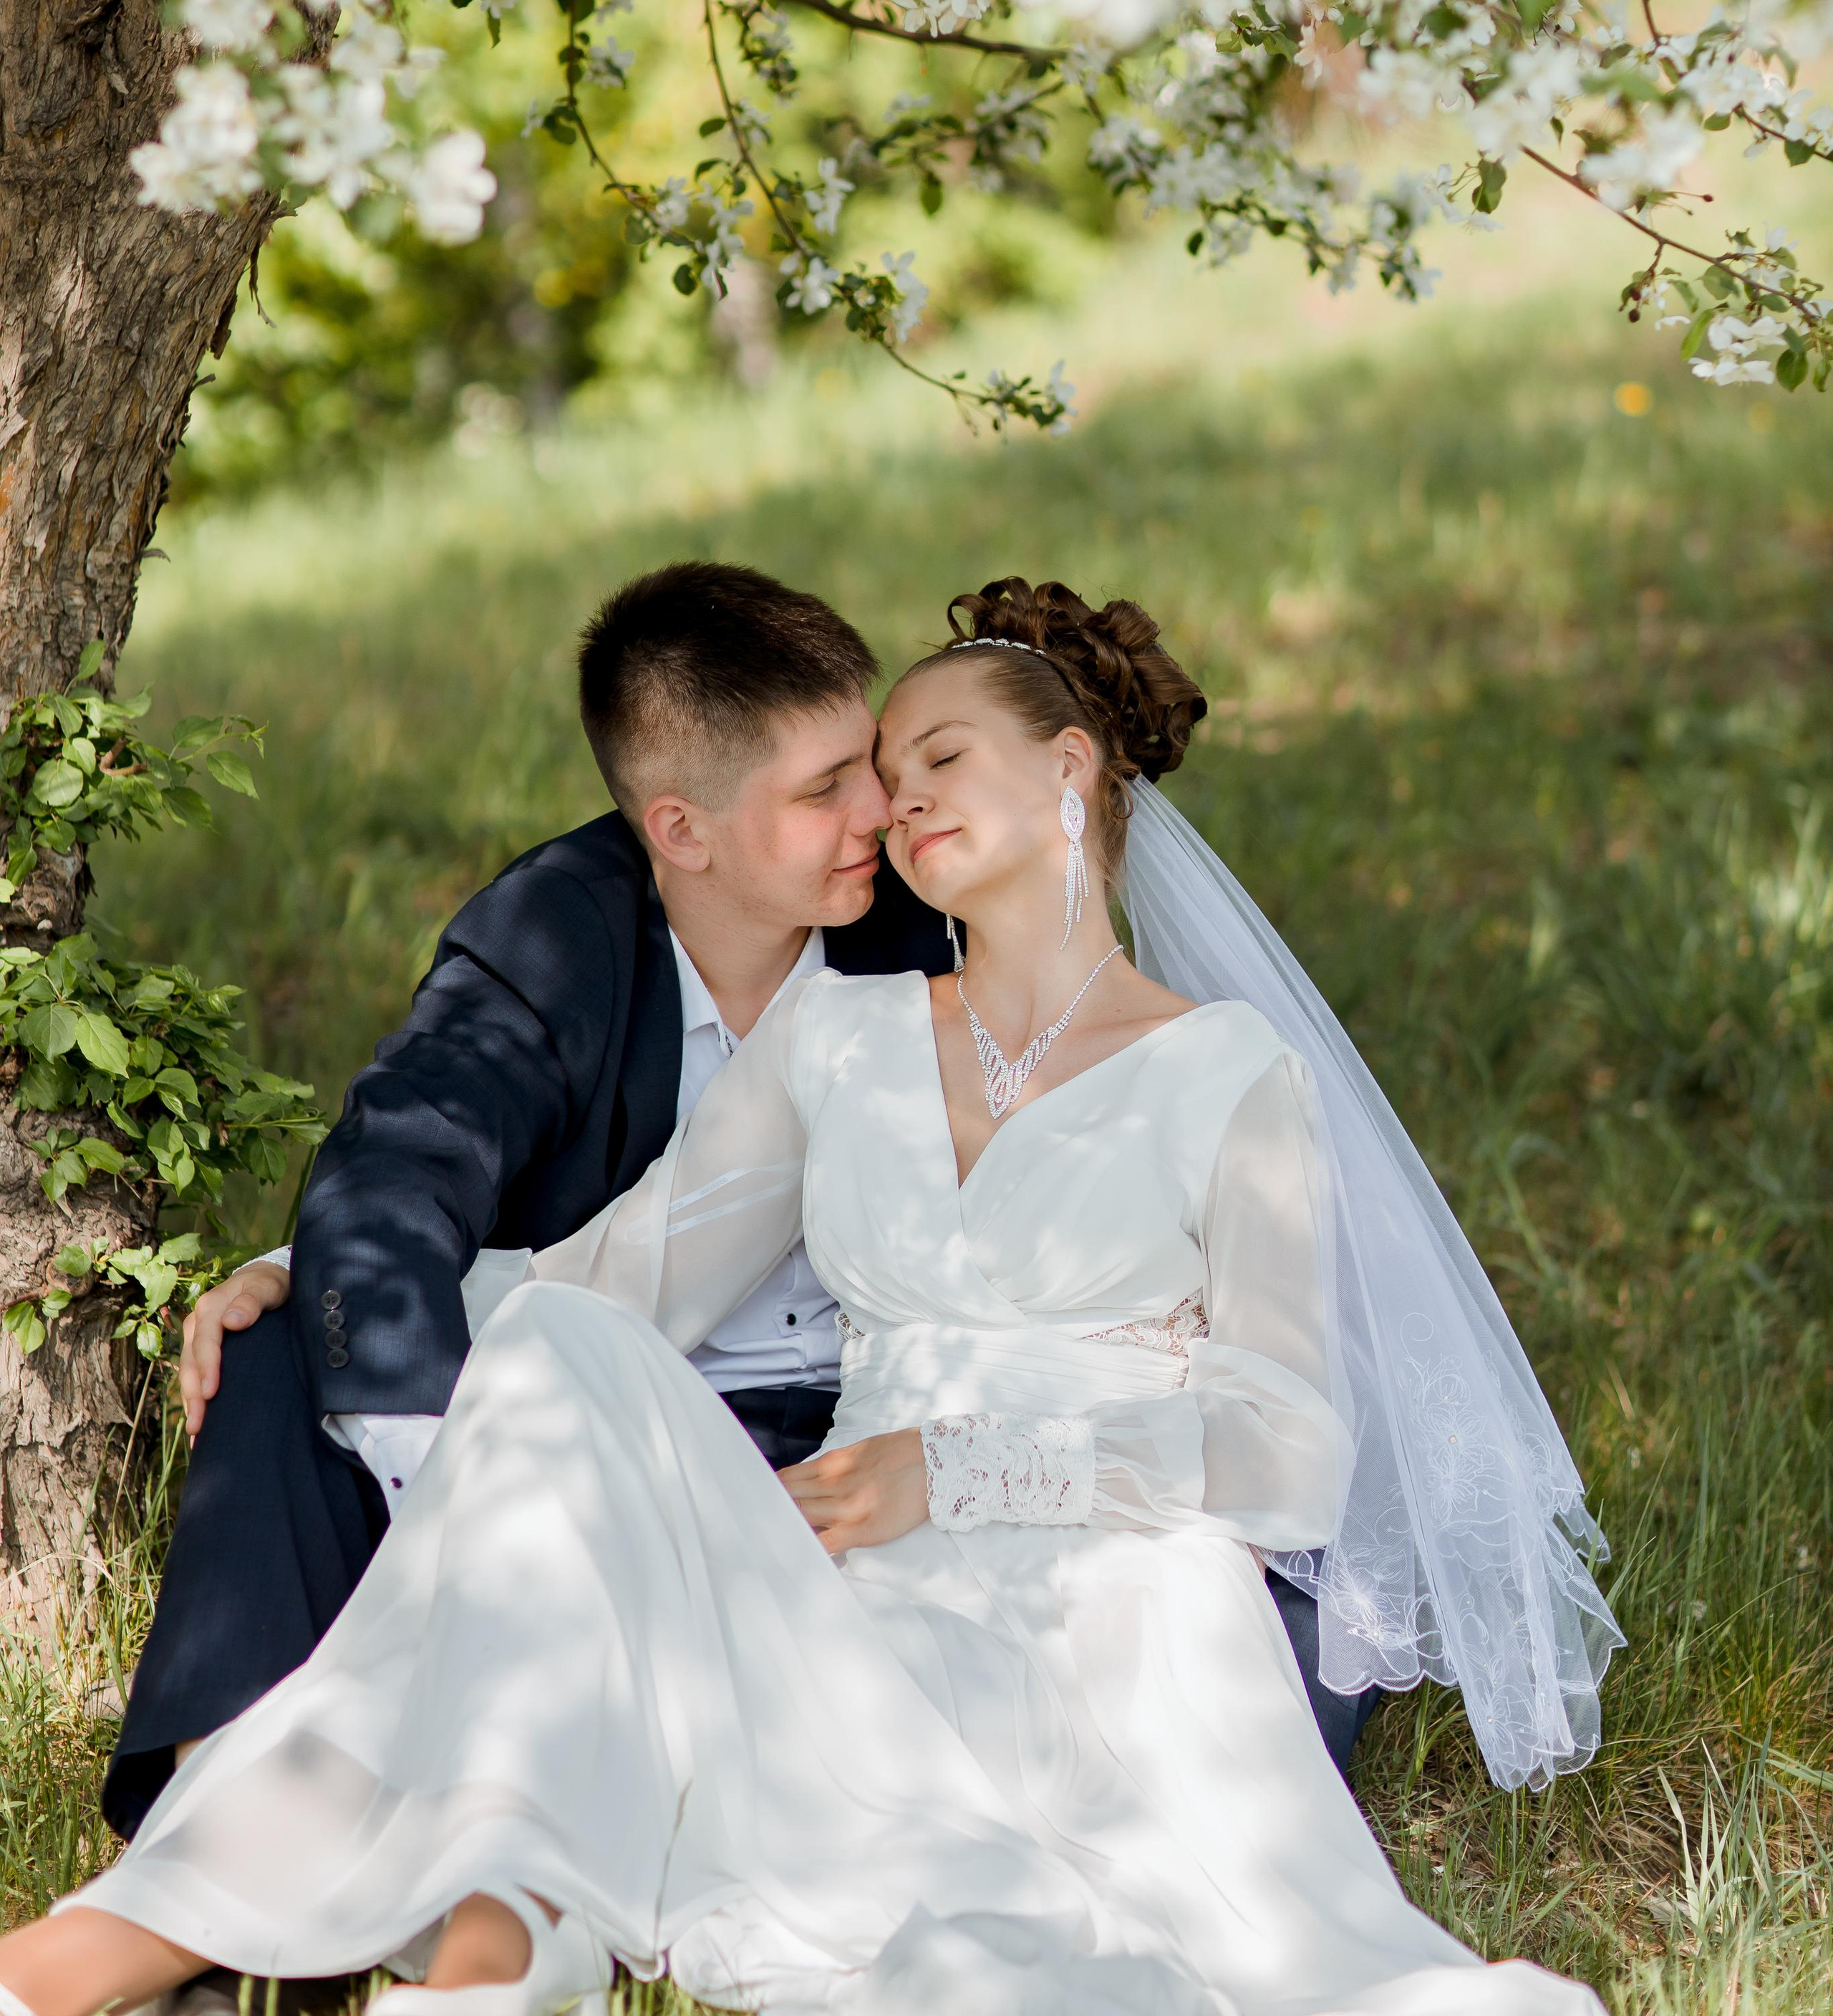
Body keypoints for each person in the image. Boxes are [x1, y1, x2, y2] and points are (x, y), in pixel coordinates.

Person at [0, 574, 1617, 2016]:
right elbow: (619, 1277)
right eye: (869, 778)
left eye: (928, 766)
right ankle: (398, 1932)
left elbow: (1288, 1455)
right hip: (845, 1548)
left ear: (1068, 774)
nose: (893, 810)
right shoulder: (843, 1032)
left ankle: (420, 1929)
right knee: (564, 1340)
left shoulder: (1223, 1073)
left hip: (1103, 1590)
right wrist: (320, 1271)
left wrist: (965, 1469)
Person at [104, 560, 953, 1839]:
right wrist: (442, 1480)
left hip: (842, 1424)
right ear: (682, 828)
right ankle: (219, 1827)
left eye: (869, 760)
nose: (882, 809)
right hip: (608, 1392)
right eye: (825, 787)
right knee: (279, 1351)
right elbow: (397, 1162)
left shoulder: (927, 920)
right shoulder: (554, 933)